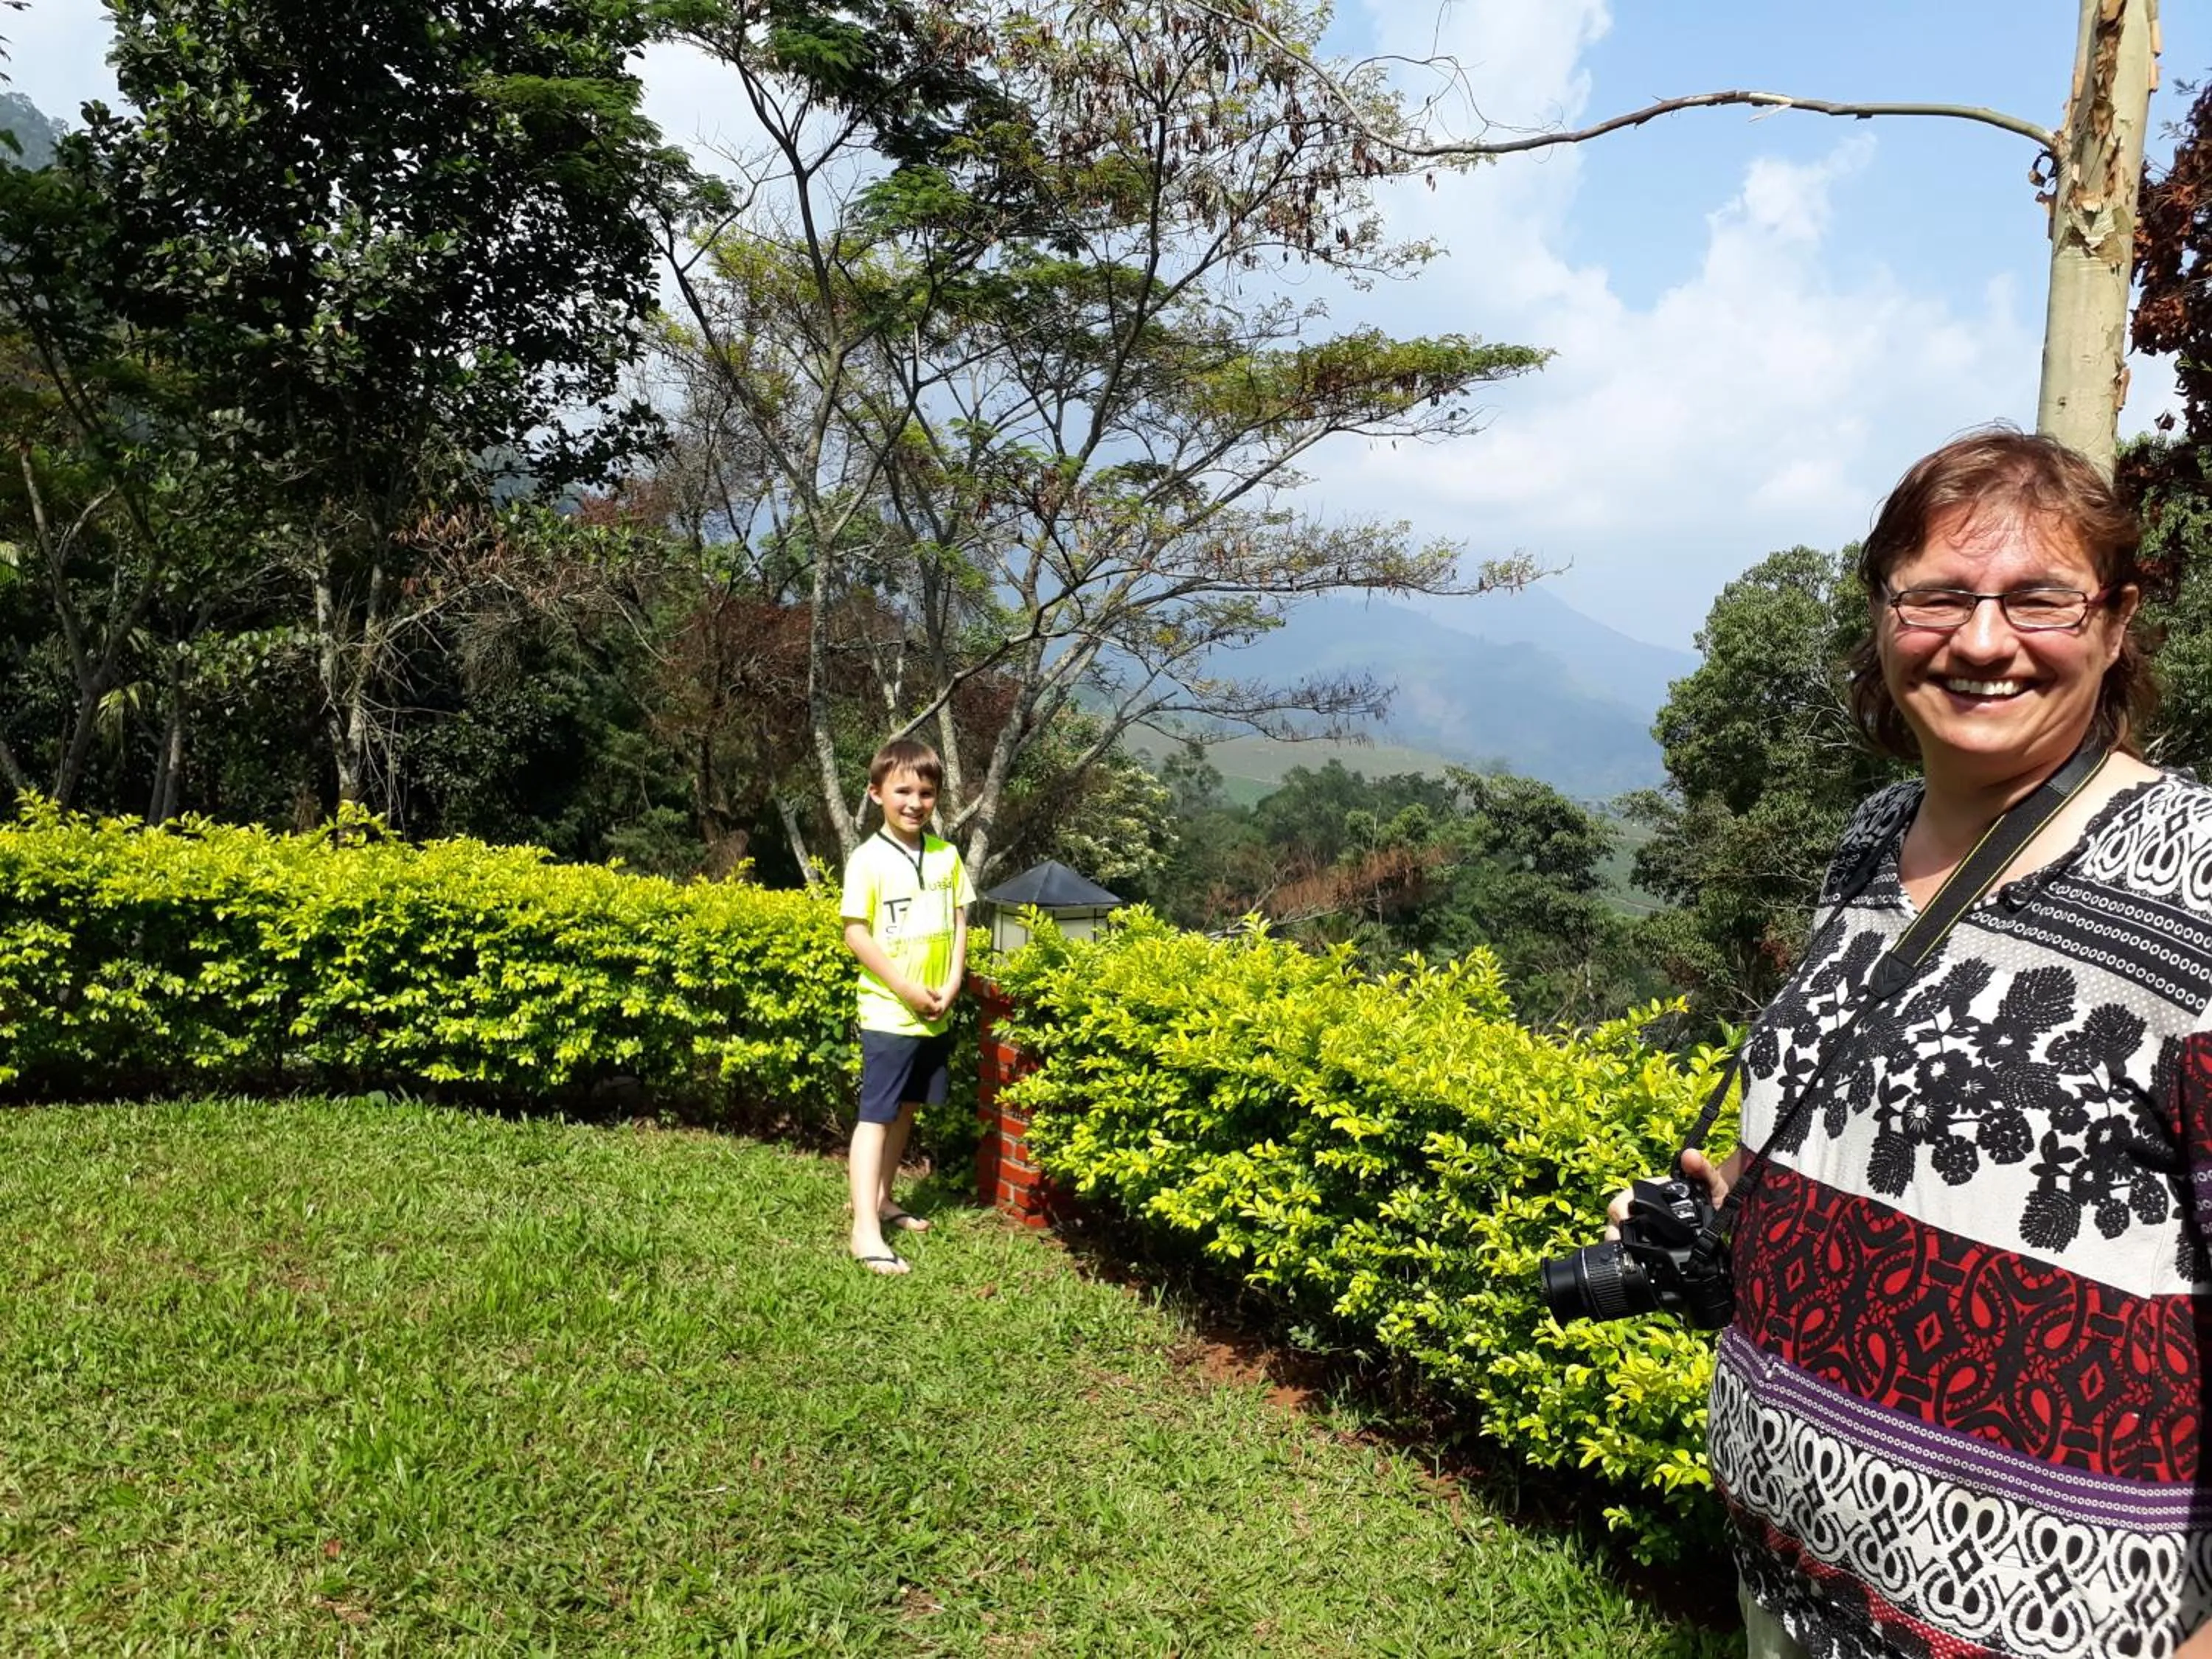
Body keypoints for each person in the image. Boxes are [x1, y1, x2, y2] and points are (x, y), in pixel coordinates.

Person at [1630, 427, 2212, 1657]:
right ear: (1886, 619)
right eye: (1938, 596)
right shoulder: (1873, 837)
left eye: (2039, 601)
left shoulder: (2197, 883)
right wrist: (1757, 1197)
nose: (1984, 641)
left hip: (2054, 1621)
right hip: (1794, 1566)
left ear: (2114, 624)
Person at [840, 736, 974, 1276]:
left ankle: (882, 1199)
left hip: (936, 1012)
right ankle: (863, 1231)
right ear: (876, 794)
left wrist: (953, 982)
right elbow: (857, 935)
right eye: (902, 791)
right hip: (890, 1013)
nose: (914, 802)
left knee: (907, 1109)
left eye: (925, 791)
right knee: (876, 1114)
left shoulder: (946, 856)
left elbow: (962, 921)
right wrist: (907, 990)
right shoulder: (868, 860)